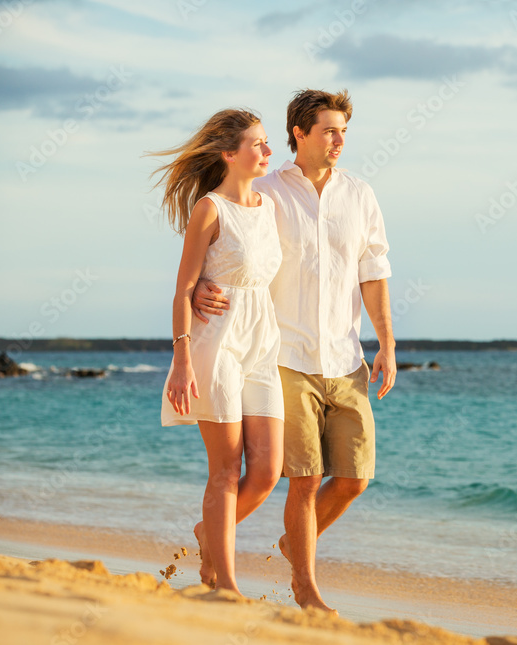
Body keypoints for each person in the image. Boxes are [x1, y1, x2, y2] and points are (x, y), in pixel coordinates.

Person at [191, 89, 395, 613]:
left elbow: (373, 272)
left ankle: (279, 542)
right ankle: (305, 589)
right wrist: (197, 287)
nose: (339, 141)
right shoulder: (270, 191)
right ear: (299, 133)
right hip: (284, 356)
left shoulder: (360, 194)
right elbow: (223, 233)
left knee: (353, 477)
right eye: (329, 130)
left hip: (345, 357)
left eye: (344, 131)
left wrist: (387, 343)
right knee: (301, 479)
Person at [152, 108, 284, 596]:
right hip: (217, 342)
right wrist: (181, 361)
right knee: (226, 471)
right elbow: (184, 287)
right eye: (258, 143)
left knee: (268, 471)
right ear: (230, 154)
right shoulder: (209, 209)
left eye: (269, 142)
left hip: (263, 343)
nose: (268, 151)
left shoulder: (269, 207)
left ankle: (208, 535)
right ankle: (224, 584)